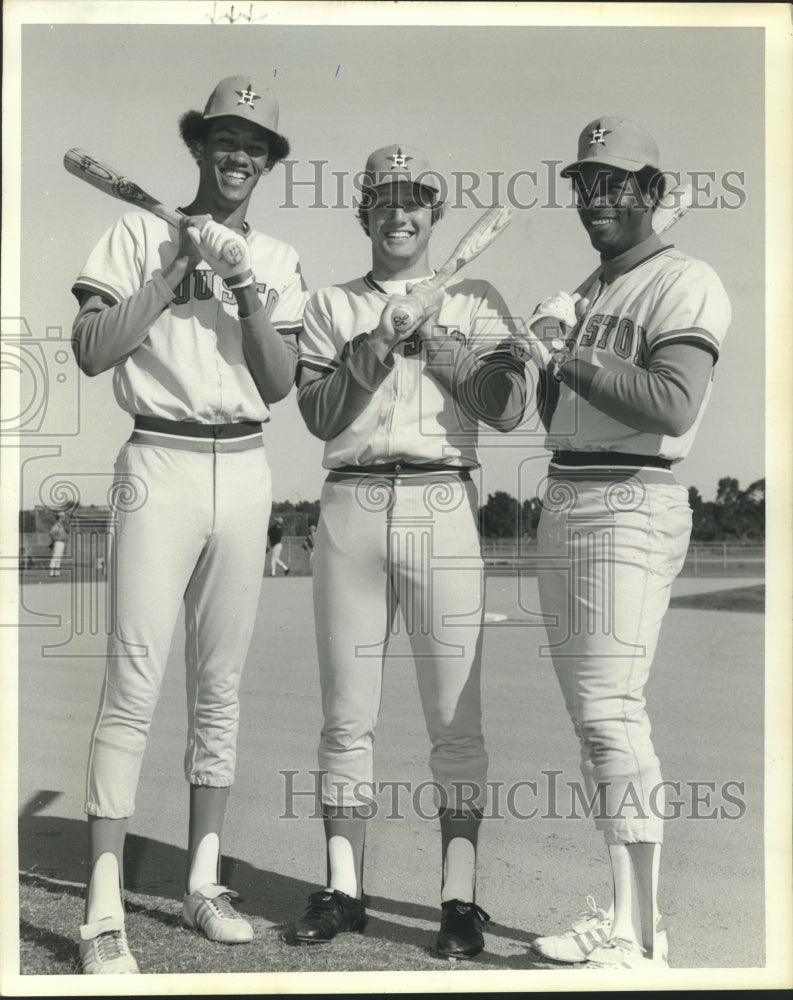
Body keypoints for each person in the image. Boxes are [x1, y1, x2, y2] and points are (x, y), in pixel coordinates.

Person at [70, 75, 307, 974]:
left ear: (269, 160)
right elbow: (93, 352)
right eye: (222, 137)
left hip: (246, 469)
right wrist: (174, 273)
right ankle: (100, 910)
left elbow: (282, 384)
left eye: (255, 142)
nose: (237, 153)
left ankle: (201, 882)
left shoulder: (279, 258)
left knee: (220, 687)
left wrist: (243, 286)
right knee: (132, 682)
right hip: (157, 462)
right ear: (198, 146)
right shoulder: (137, 231)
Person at [289, 144, 528, 959]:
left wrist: (440, 339)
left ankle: (458, 900)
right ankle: (343, 889)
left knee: (454, 720)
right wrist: (376, 341)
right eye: (383, 200)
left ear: (434, 214)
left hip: (441, 498)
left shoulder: (477, 297)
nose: (399, 213)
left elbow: (505, 405)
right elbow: (320, 414)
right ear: (363, 212)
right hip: (350, 502)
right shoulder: (328, 303)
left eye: (415, 200)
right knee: (345, 717)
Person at [522, 117, 731, 969]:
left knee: (613, 714)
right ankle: (622, 910)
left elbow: (674, 403)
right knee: (592, 721)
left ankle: (638, 937)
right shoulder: (591, 288)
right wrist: (542, 357)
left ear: (651, 192)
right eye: (584, 182)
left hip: (630, 501)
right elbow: (553, 419)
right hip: (566, 494)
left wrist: (564, 354)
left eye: (616, 183)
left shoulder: (684, 279)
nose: (596, 197)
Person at [48, 512, 70, 577]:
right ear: (59, 518)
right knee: (56, 556)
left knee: (59, 557)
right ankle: (51, 572)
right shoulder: (57, 525)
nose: (64, 518)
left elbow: (67, 530)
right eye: (62, 517)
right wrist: (56, 539)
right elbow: (51, 533)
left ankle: (57, 572)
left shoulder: (61, 525)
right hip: (59, 542)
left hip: (62, 542)